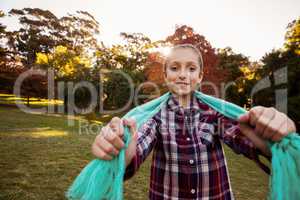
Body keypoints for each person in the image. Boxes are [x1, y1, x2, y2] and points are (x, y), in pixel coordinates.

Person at [91, 44, 296, 199]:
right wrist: (124, 149)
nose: (182, 75)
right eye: (174, 68)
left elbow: (238, 133)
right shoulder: (155, 115)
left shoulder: (215, 113)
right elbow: (141, 141)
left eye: (191, 69)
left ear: (200, 76)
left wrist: (268, 142)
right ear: (165, 75)